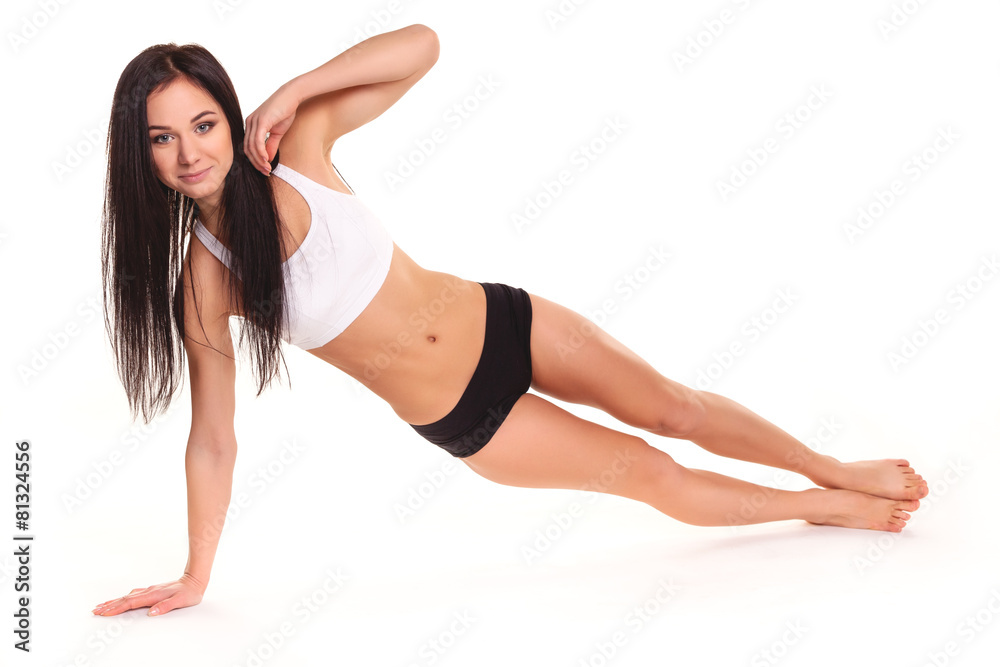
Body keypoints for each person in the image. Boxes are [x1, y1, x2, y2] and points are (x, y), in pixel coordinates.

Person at [92, 24, 927, 619]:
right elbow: (213, 437)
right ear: (144, 157)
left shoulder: (299, 145)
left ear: (229, 115)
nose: (191, 151)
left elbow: (421, 45)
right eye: (163, 139)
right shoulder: (207, 277)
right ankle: (814, 506)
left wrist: (298, 87)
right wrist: (197, 572)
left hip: (504, 320)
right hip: (471, 418)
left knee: (678, 406)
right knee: (650, 471)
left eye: (204, 123)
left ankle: (831, 467)